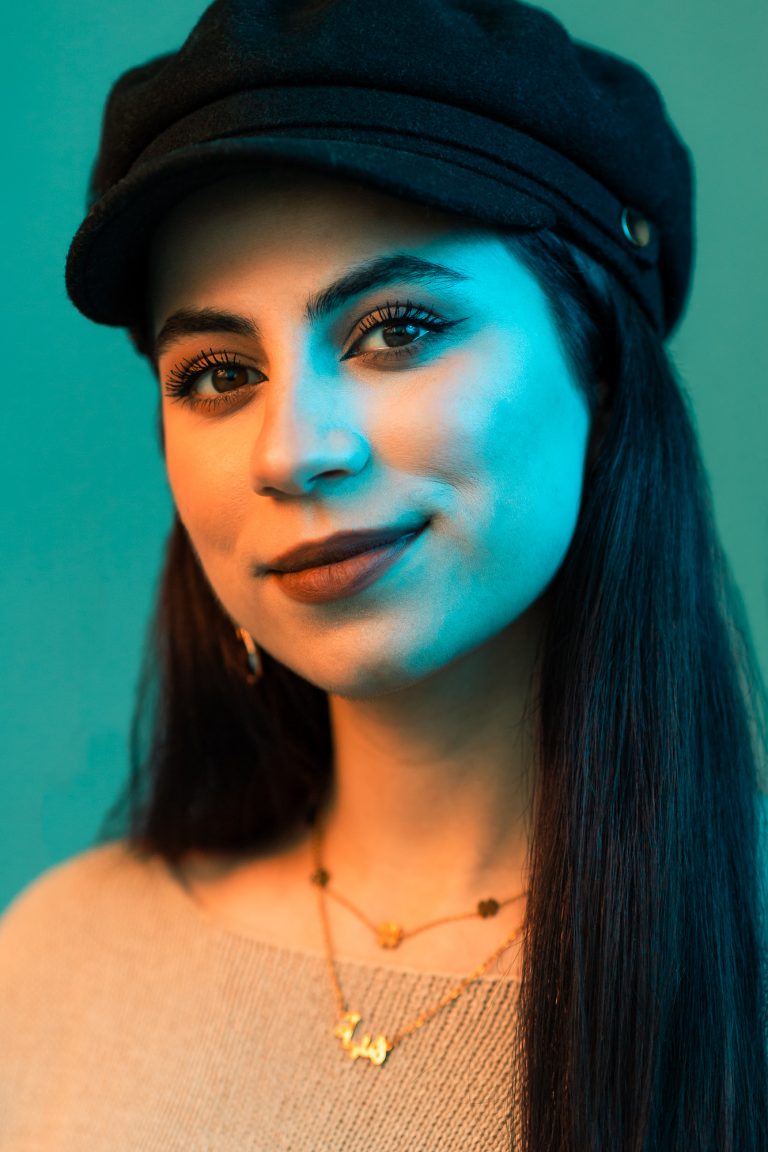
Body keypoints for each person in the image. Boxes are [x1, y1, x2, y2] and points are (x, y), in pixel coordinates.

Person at [2, 0, 767, 1148]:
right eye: (216, 373)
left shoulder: (737, 963)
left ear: (598, 361)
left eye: (396, 329)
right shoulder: (55, 963)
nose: (293, 448)